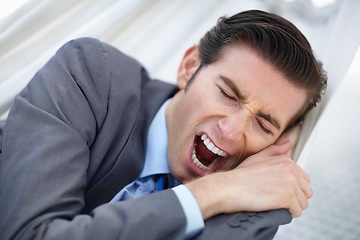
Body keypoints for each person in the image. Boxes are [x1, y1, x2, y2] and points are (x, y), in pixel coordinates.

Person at [0, 10, 326, 240]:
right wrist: (212, 193)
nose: (230, 131)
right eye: (227, 94)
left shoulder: (259, 188)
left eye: (263, 125)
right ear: (189, 68)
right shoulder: (91, 74)